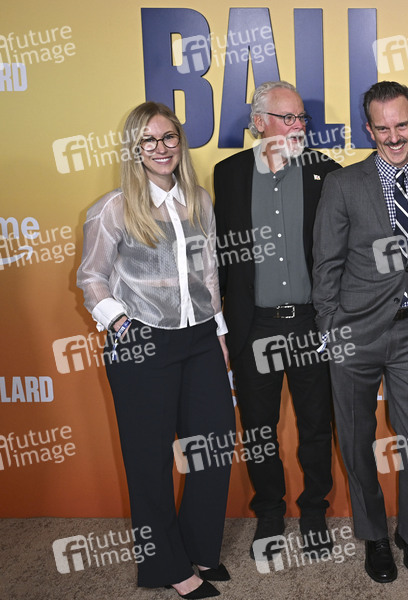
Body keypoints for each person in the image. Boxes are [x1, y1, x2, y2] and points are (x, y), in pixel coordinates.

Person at [77, 101, 234, 599]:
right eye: (148, 140)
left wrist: (220, 332)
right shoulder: (113, 208)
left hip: (201, 336)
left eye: (168, 137)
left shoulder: (199, 200)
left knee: (213, 448)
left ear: (180, 143)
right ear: (134, 148)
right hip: (142, 341)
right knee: (149, 462)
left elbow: (209, 272)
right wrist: (119, 323)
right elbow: (91, 277)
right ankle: (167, 566)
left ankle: (200, 549)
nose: (161, 148)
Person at [312, 81, 408, 583]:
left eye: (402, 125)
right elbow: (325, 262)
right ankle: (374, 535)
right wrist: (331, 328)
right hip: (354, 332)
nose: (394, 137)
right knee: (356, 441)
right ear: (369, 130)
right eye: (382, 127)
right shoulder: (343, 184)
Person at [213, 80, 341, 558]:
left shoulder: (325, 172)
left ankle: (314, 513)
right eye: (288, 118)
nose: (298, 126)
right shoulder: (228, 175)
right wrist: (219, 325)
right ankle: (269, 513)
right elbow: (217, 258)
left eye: (301, 117)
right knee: (259, 429)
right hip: (254, 326)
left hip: (310, 324)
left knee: (316, 425)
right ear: (258, 122)